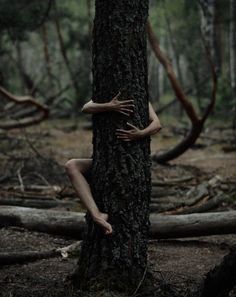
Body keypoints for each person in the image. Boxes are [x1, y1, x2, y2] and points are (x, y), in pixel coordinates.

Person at [65, 92, 162, 236]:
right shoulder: (105, 93)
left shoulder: (140, 97)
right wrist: (109, 106)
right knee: (71, 165)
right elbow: (86, 108)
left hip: (131, 165)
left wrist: (140, 134)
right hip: (105, 162)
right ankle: (97, 214)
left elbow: (157, 124)